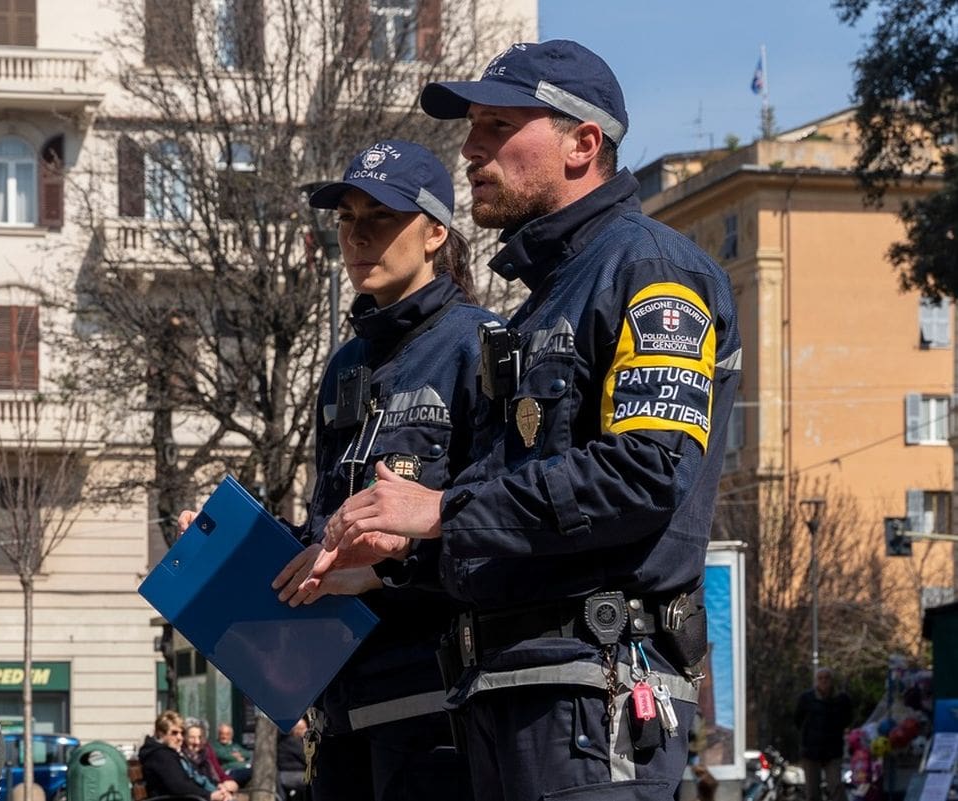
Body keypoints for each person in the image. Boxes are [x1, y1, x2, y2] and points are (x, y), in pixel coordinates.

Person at [308, 40, 742, 801]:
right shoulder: (543, 302)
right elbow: (504, 502)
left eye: (498, 126)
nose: (471, 151)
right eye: (471, 127)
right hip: (507, 698)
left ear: (584, 143)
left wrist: (441, 509)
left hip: (591, 698)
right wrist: (398, 555)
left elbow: (644, 473)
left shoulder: (650, 269)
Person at [268, 139, 501, 801]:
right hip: (340, 711)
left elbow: (501, 528)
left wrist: (383, 568)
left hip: (437, 711)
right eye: (346, 219)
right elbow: (328, 527)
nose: (358, 236)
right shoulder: (345, 366)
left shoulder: (479, 346)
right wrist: (261, 548)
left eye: (380, 216)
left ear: (434, 232)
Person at [138, 710, 236, 801]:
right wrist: (210, 795)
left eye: (182, 733)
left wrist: (217, 789)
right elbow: (179, 786)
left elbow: (187, 782)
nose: (180, 738)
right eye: (174, 733)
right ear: (160, 733)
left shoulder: (167, 753)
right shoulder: (160, 755)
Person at [795, 667, 853, 801]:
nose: (824, 681)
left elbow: (848, 719)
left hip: (833, 750)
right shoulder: (806, 698)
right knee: (812, 791)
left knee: (836, 787)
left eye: (827, 678)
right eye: (820, 678)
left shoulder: (842, 699)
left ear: (832, 680)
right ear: (816, 681)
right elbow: (798, 720)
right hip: (811, 751)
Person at [277, 718, 308, 800]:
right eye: (303, 728)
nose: (306, 731)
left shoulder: (289, 741)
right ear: (296, 730)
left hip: (290, 774)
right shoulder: (292, 742)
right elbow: (307, 758)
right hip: (291, 775)